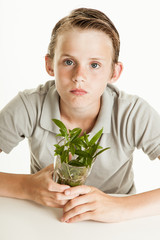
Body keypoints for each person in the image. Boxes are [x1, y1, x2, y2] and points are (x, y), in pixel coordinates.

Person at [0, 7, 160, 223]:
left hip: (118, 227)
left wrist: (120, 207)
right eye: (68, 62)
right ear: (49, 65)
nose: (79, 77)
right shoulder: (29, 106)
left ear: (115, 72)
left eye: (94, 65)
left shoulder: (132, 113)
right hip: (45, 221)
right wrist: (26, 187)